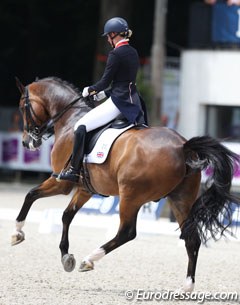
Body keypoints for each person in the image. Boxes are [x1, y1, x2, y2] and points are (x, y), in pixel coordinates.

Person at [58, 17, 147, 183]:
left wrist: (89, 90)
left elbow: (104, 81)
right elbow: (123, 82)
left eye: (108, 36)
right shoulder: (133, 52)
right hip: (132, 101)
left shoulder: (115, 54)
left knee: (80, 126)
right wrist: (104, 94)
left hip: (118, 103)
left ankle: (74, 170)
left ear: (114, 34)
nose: (107, 39)